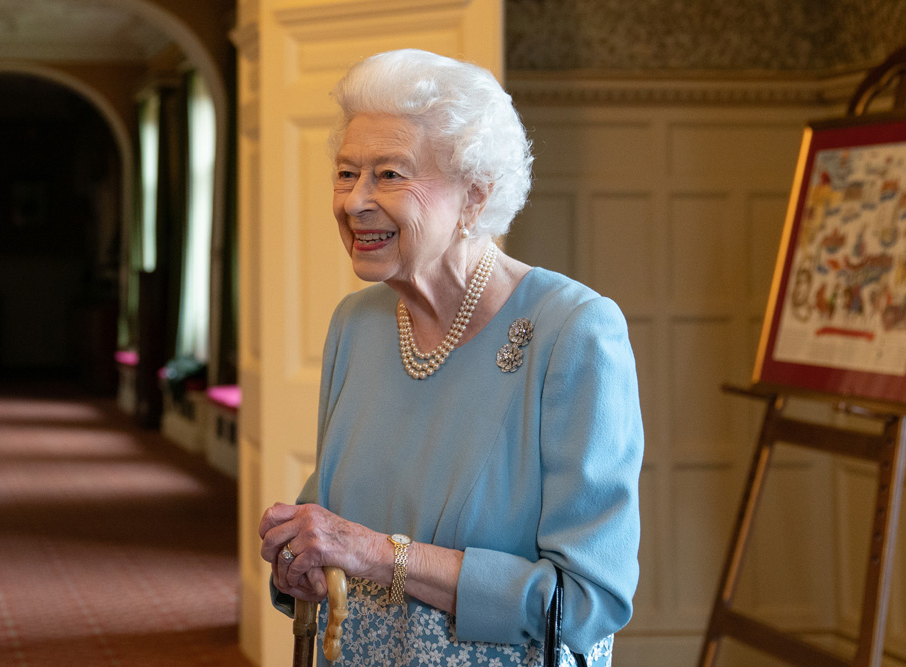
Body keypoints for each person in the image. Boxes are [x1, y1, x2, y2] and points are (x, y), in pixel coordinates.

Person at [259, 48, 643, 666]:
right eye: (346, 172)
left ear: (475, 196)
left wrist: (376, 554)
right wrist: (300, 554)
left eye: (389, 175)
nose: (354, 201)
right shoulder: (356, 326)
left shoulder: (572, 331)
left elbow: (583, 603)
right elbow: (330, 523)